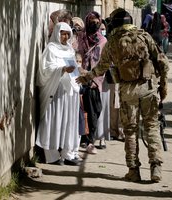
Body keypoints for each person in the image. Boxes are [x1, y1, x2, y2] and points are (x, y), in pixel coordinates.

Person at [76, 8, 169, 183]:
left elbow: (101, 68)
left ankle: (133, 171)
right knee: (152, 128)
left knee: (131, 131)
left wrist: (85, 77)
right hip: (148, 88)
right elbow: (163, 63)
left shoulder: (113, 41)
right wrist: (163, 87)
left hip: (128, 92)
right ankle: (156, 168)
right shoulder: (145, 36)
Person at [36, 22, 81, 166]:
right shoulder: (50, 49)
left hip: (70, 92)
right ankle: (52, 155)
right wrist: (62, 69)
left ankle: (68, 154)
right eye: (63, 33)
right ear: (57, 33)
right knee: (54, 120)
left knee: (69, 122)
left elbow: (74, 67)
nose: (65, 36)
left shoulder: (69, 49)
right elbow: (45, 69)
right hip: (56, 91)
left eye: (68, 33)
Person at [77, 11, 108, 154]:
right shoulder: (80, 38)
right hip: (80, 79)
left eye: (97, 22)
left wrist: (95, 79)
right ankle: (87, 141)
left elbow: (104, 62)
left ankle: (90, 138)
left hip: (95, 81)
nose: (94, 24)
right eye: (92, 21)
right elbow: (76, 55)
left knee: (96, 110)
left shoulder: (102, 41)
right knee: (83, 111)